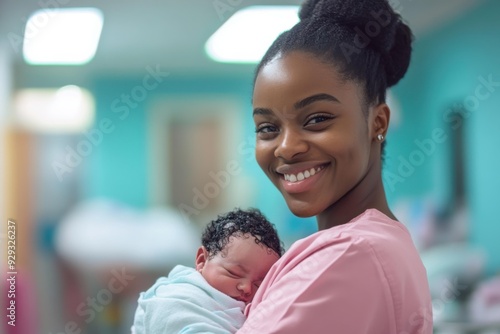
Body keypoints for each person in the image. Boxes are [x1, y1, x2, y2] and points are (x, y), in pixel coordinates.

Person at [237, 0, 433, 333]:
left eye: (317, 119)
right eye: (268, 128)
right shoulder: (378, 243)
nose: (286, 148)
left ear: (377, 122)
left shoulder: (350, 256)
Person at [131, 208, 283, 334]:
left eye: (259, 283)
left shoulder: (259, 307)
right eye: (234, 273)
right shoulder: (177, 296)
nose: (247, 288)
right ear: (202, 260)